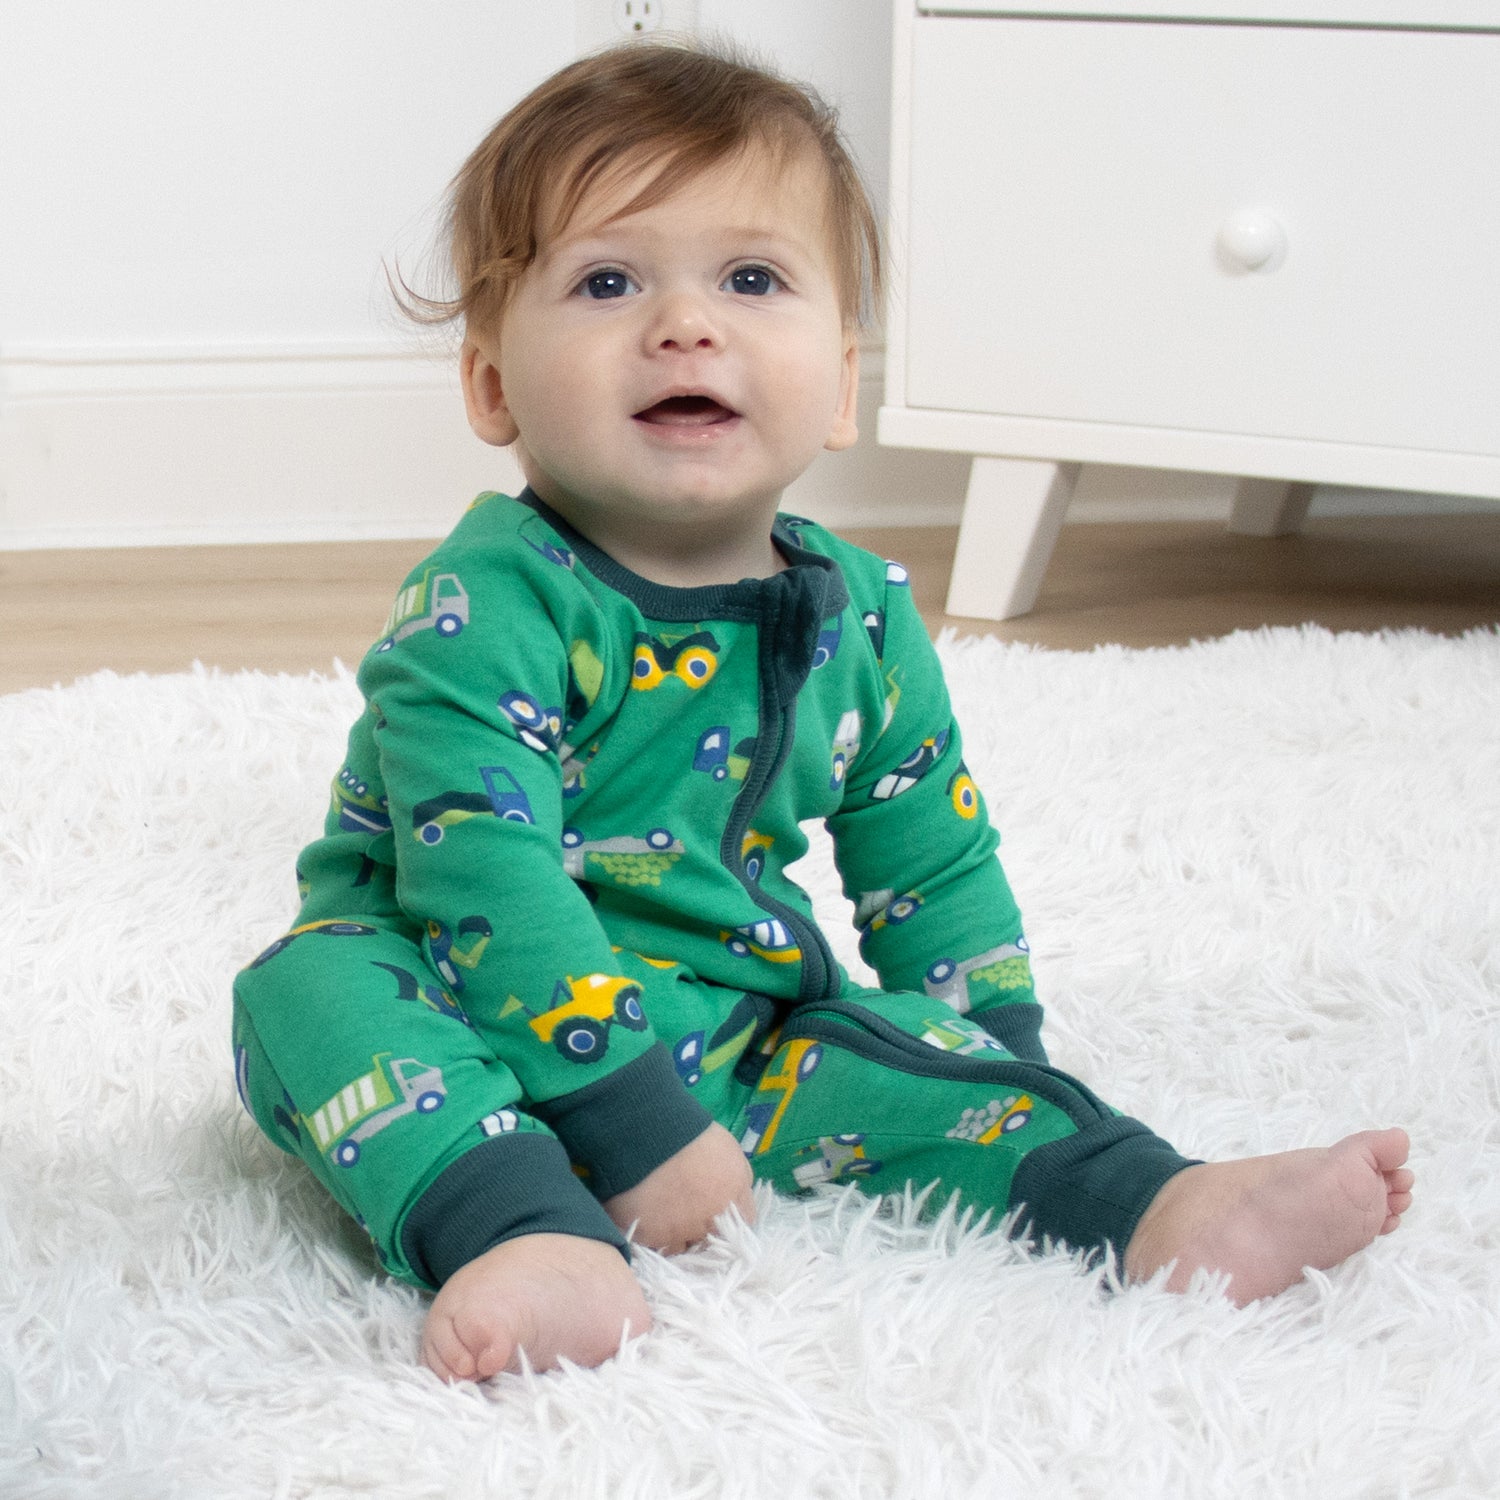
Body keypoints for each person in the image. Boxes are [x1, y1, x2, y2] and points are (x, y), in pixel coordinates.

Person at [232, 38, 1413, 1384]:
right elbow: (480, 875)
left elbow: (933, 852)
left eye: (752, 279)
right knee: (307, 992)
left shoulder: (858, 609)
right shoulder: (483, 603)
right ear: (493, 383)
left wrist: (992, 1066)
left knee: (893, 1046)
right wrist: (630, 1133)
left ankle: (1155, 1201)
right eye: (609, 280)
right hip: (464, 1015)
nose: (687, 324)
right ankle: (524, 1229)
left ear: (842, 383)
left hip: (745, 1039)